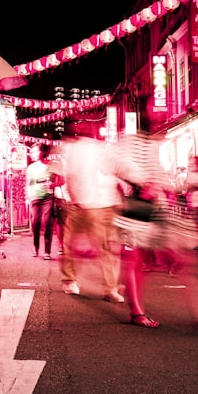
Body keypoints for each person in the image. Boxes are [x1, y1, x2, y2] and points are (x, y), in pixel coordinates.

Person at [112, 112, 198, 328]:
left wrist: (161, 187)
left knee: (139, 263)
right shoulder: (131, 143)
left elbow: (157, 179)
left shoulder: (149, 145)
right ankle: (136, 312)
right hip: (133, 212)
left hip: (147, 212)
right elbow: (117, 169)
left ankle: (137, 310)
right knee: (133, 262)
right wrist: (140, 185)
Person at [57, 122, 124, 303]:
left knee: (74, 245)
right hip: (94, 204)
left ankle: (76, 282)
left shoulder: (79, 148)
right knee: (102, 248)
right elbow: (113, 174)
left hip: (93, 204)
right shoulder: (95, 148)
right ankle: (108, 288)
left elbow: (70, 176)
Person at [25, 143, 55, 259]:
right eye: (32, 152)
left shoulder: (52, 165)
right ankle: (35, 246)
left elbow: (61, 179)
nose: (33, 154)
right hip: (35, 196)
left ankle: (47, 251)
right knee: (35, 222)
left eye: (36, 151)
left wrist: (53, 184)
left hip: (48, 196)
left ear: (43, 152)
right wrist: (29, 195)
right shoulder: (31, 168)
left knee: (47, 222)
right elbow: (28, 184)